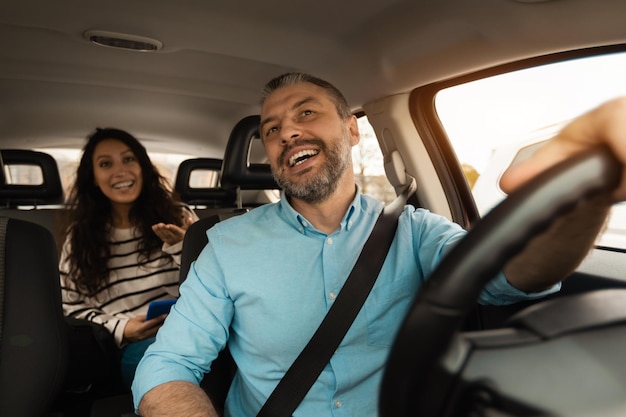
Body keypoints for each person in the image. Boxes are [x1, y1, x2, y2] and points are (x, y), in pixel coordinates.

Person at [132, 73, 626, 416]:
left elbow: (511, 277)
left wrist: (585, 195)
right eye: (272, 130)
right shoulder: (225, 245)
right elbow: (168, 362)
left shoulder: (416, 230)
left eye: (307, 113)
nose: (288, 133)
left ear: (352, 127)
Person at [59, 127, 198, 390]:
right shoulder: (77, 239)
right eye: (105, 164)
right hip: (133, 347)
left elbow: (215, 284)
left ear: (143, 167)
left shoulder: (179, 217)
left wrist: (182, 247)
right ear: (93, 179)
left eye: (128, 159)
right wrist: (122, 329)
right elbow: (70, 308)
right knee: (161, 359)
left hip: (194, 331)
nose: (120, 171)